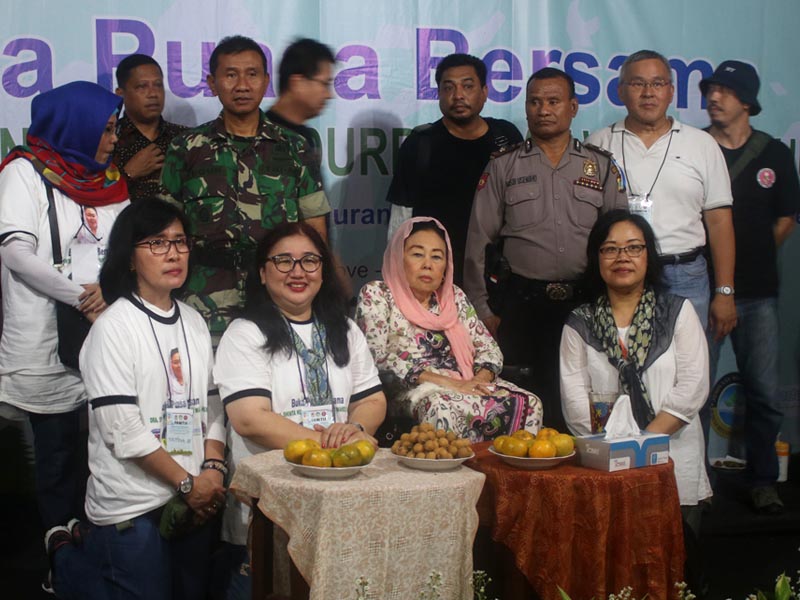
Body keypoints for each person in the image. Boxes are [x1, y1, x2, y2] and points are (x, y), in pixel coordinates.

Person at [53, 199, 226, 600]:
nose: (173, 253)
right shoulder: (112, 328)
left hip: (194, 498)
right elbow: (123, 429)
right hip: (133, 507)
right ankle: (65, 557)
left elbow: (212, 403)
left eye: (180, 242)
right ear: (129, 258)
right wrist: (187, 482)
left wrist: (213, 469)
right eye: (156, 243)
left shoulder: (195, 320)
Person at [213, 221, 386, 597]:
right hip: (269, 507)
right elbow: (250, 418)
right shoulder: (245, 332)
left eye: (309, 261)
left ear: (324, 271)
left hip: (341, 502)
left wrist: (355, 430)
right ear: (262, 272)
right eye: (283, 261)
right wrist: (332, 444)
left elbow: (372, 399)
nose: (298, 272)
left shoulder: (344, 328)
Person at [0, 81, 128, 570]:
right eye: (107, 130)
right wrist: (82, 296)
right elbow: (15, 252)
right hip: (47, 333)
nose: (114, 141)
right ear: (75, 127)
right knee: (54, 454)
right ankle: (60, 555)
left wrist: (110, 290)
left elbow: (125, 245)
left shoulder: (108, 178)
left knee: (102, 448)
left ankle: (98, 547)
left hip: (104, 328)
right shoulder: (24, 174)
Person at [463, 67, 627, 432]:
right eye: (534, 102)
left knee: (584, 404)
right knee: (522, 409)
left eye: (553, 101)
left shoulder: (600, 166)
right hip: (521, 307)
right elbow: (478, 242)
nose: (543, 109)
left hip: (586, 304)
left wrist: (618, 306)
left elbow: (620, 245)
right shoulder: (504, 166)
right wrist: (482, 310)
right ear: (525, 108)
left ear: (573, 107)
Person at [560, 210, 711, 591]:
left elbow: (692, 389)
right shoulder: (580, 323)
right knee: (614, 574)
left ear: (649, 256)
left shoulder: (678, 312)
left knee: (674, 574)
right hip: (606, 470)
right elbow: (576, 403)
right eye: (610, 249)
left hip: (674, 462)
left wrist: (642, 448)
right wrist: (619, 454)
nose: (622, 257)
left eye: (633, 248)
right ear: (596, 259)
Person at [161, 35, 330, 339]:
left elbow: (314, 228)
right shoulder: (186, 148)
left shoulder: (295, 148)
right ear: (213, 83)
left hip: (278, 300)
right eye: (230, 75)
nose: (242, 85)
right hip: (203, 302)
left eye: (252, 74)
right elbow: (165, 229)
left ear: (266, 81)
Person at [701, 60, 799, 514]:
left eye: (725, 90)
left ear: (747, 101)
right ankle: (692, 479)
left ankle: (763, 480)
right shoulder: (695, 147)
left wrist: (750, 255)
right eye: (711, 89)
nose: (714, 97)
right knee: (694, 390)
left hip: (759, 292)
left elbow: (786, 217)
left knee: (762, 390)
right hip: (701, 289)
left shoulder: (775, 153)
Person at [586, 50, 737, 339]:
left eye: (657, 84)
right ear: (620, 91)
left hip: (685, 276)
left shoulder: (701, 144)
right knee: (622, 368)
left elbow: (719, 222)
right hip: (621, 272)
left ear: (670, 92)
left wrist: (725, 291)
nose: (648, 93)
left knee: (688, 371)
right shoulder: (599, 144)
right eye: (637, 84)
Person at [357, 217, 542, 441]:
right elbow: (376, 357)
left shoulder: (454, 297)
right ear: (398, 258)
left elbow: (489, 349)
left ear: (446, 266)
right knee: (442, 406)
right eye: (417, 254)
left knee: (530, 403)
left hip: (467, 381)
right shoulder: (377, 294)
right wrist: (447, 383)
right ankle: (452, 475)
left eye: (436, 256)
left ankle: (502, 475)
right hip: (414, 388)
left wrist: (478, 381)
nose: (428, 264)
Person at [386, 53, 523, 286]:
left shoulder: (506, 137)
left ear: (484, 92)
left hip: (498, 274)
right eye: (448, 87)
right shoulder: (421, 143)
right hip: (436, 274)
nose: (458, 95)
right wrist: (398, 277)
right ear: (439, 94)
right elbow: (401, 219)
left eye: (468, 86)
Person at [113, 54, 187, 202]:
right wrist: (129, 173)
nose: (153, 94)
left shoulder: (185, 138)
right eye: (142, 86)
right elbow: (96, 197)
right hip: (124, 223)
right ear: (120, 94)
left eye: (158, 85)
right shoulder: (109, 140)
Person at [266, 37, 336, 167]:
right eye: (325, 84)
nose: (329, 95)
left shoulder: (303, 136)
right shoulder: (263, 137)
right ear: (297, 83)